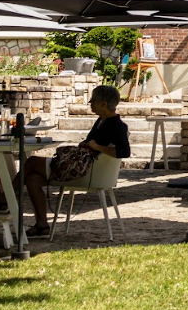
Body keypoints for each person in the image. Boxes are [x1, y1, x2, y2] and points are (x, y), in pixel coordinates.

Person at [20, 85, 130, 238]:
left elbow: (124, 152)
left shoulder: (118, 126)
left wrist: (97, 146)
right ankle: (42, 225)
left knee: (31, 162)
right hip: (82, 168)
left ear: (104, 104)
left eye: (93, 100)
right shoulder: (101, 121)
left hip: (85, 172)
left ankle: (3, 201)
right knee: (32, 180)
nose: (90, 103)